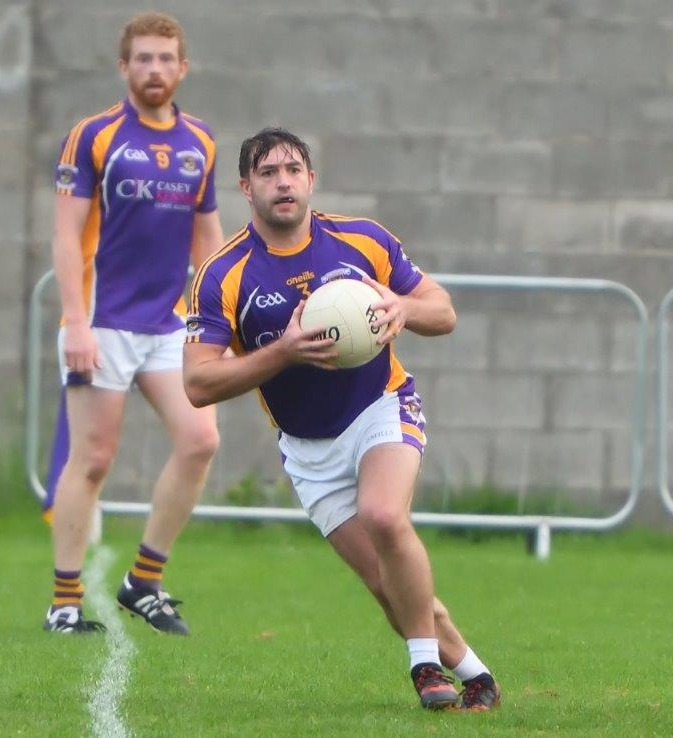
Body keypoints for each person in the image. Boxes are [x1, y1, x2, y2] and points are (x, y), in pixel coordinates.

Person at [183, 127, 500, 711]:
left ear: (311, 180)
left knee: (384, 515)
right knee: (387, 584)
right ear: (245, 187)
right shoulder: (222, 274)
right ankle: (477, 676)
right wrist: (285, 350)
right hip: (308, 449)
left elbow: (443, 311)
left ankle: (424, 667)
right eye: (268, 173)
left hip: (381, 405)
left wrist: (402, 307)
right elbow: (198, 384)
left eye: (293, 170)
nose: (283, 182)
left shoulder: (362, 240)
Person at [44, 11, 225, 635]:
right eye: (143, 58)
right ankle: (64, 601)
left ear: (183, 67)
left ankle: (144, 580)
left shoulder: (200, 141)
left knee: (201, 441)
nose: (154, 68)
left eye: (165, 58)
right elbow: (67, 236)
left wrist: (218, 321)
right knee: (93, 460)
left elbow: (209, 242)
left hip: (169, 325)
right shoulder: (93, 136)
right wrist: (75, 322)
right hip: (103, 319)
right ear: (124, 67)